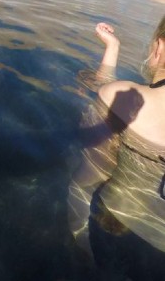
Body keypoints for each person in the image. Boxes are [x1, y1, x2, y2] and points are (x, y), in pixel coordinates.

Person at [68, 19, 165, 278]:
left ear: (159, 46)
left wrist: (81, 247)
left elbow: (82, 185)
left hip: (117, 230)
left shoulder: (124, 97)